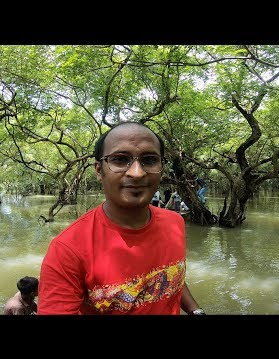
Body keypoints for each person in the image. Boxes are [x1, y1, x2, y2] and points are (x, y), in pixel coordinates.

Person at [38, 121, 205, 315]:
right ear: (99, 171)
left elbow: (170, 277)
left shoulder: (175, 222)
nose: (137, 173)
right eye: (119, 159)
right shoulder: (67, 250)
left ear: (161, 167)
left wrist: (196, 311)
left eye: (149, 160)